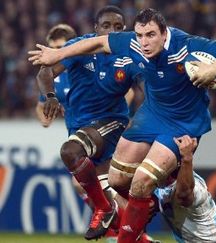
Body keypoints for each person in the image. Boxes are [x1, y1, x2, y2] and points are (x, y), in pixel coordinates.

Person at [29, 8, 216, 243]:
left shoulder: (185, 45)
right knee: (116, 180)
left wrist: (214, 69)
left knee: (141, 181)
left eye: (151, 35)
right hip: (152, 115)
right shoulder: (132, 43)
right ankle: (146, 206)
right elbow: (99, 43)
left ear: (165, 34)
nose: (144, 42)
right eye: (140, 35)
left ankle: (128, 233)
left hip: (181, 123)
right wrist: (55, 55)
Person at [35, 6, 146, 241]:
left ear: (124, 30)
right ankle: (140, 236)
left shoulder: (129, 55)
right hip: (81, 129)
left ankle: (103, 210)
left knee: (70, 152)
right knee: (114, 197)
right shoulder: (80, 48)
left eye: (118, 27)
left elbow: (146, 91)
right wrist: (50, 98)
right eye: (106, 26)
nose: (111, 31)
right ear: (96, 28)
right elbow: (44, 73)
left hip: (111, 125)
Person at [35, 24, 76, 128]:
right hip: (73, 130)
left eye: (59, 47)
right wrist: (46, 119)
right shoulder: (49, 77)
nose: (54, 52)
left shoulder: (88, 67)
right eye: (51, 48)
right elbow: (40, 106)